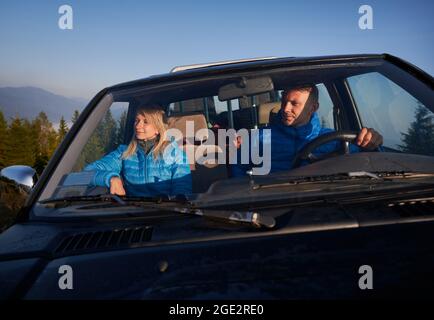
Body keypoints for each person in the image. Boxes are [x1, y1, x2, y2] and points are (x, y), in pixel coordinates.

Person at [231, 84, 383, 177]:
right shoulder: (258, 139)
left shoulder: (336, 140)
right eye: (284, 101)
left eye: (294, 103)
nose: (285, 109)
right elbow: (237, 176)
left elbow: (372, 160)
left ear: (313, 108)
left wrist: (372, 141)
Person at [84, 104, 192, 197]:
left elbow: (182, 191)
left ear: (157, 129)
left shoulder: (175, 154)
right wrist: (111, 178)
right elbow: (88, 171)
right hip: (132, 213)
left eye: (145, 122)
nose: (138, 125)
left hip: (166, 214)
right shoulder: (124, 152)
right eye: (137, 120)